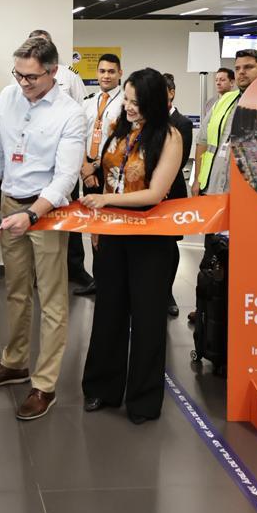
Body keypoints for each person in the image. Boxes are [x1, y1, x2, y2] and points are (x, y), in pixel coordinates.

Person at [0, 37, 84, 421]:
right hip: (9, 204)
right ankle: (14, 362)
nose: (22, 83)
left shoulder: (70, 113)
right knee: (16, 291)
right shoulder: (8, 97)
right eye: (17, 74)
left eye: (31, 77)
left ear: (53, 72)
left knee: (52, 300)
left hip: (46, 212)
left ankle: (44, 385)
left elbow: (66, 177)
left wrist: (33, 215)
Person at [80, 68, 184, 424]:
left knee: (147, 317)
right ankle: (102, 388)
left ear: (153, 102)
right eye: (126, 99)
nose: (128, 107)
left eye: (135, 102)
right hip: (112, 233)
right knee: (108, 311)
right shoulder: (118, 131)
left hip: (150, 238)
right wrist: (98, 220)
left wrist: (106, 201)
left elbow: (155, 193)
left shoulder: (169, 137)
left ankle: (143, 399)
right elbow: (108, 177)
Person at [72, 53, 124, 296]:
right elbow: (78, 137)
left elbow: (122, 142)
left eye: (111, 71)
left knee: (111, 228)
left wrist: (95, 166)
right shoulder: (88, 102)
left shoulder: (125, 103)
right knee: (94, 226)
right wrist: (85, 169)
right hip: (89, 172)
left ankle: (114, 283)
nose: (106, 76)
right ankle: (99, 280)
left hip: (113, 174)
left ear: (120, 73)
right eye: (102, 71)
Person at [198, 50, 257, 197]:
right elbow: (202, 141)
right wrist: (197, 180)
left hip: (249, 193)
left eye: (248, 67)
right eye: (237, 68)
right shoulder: (223, 101)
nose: (241, 72)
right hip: (213, 187)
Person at [163, 73, 192, 318]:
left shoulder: (182, 123)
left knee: (170, 244)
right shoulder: (146, 120)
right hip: (147, 192)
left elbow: (179, 161)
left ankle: (167, 292)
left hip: (172, 192)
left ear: (171, 93)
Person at [28, 29, 86, 101]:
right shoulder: (22, 76)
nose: (39, 49)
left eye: (43, 44)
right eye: (34, 45)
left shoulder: (68, 74)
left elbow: (83, 103)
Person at [194, 67, 234, 167]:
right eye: (216, 80)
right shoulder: (210, 103)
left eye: (222, 80)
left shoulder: (237, 103)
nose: (218, 83)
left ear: (232, 82)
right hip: (210, 150)